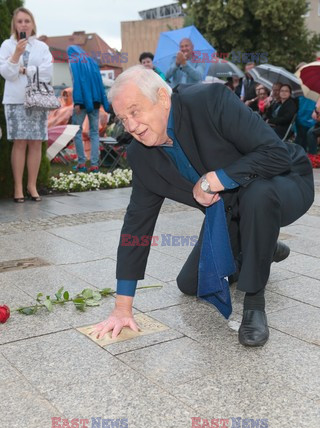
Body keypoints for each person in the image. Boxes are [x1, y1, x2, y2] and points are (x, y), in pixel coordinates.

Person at [90, 66, 314, 347]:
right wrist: (122, 307)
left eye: (135, 111)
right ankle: (262, 246)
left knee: (257, 193)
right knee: (191, 284)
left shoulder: (209, 101)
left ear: (162, 97)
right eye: (123, 118)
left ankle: (254, 301)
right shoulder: (142, 155)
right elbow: (137, 224)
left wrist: (216, 179)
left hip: (282, 181)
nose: (131, 126)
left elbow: (275, 155)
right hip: (233, 210)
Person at [0, 7, 53, 202]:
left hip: (38, 100)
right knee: (20, 142)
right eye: (20, 21)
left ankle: (32, 185)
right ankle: (18, 188)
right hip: (15, 100)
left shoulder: (41, 47)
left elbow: (47, 72)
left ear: (32, 24)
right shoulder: (7, 45)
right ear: (14, 24)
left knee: (36, 142)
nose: (23, 24)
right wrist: (15, 55)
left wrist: (25, 70)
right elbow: (6, 73)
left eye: (27, 21)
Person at [67, 45, 110, 173]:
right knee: (94, 133)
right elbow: (99, 82)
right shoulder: (91, 61)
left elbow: (77, 82)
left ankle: (81, 163)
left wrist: (78, 101)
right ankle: (95, 164)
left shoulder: (74, 62)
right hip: (95, 101)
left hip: (82, 102)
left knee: (77, 132)